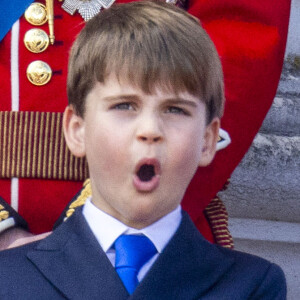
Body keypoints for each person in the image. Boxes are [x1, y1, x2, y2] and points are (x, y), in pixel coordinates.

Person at [0, 2, 286, 298]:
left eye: (174, 109)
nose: (149, 130)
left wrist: (81, 247)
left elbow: (242, 41)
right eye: (124, 105)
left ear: (208, 138)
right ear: (75, 128)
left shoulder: (254, 284)